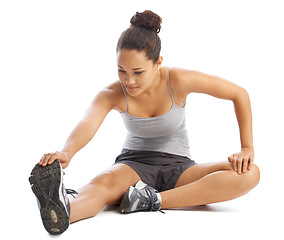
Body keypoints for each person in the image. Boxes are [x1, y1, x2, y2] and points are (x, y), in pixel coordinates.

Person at [29, 10, 260, 235]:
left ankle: (152, 199)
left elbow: (239, 94)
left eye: (138, 72)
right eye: (121, 70)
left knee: (250, 173)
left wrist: (247, 148)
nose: (128, 81)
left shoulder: (178, 80)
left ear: (157, 62)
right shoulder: (113, 93)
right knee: (104, 183)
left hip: (180, 168)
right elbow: (88, 123)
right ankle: (62, 208)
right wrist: (67, 152)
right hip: (133, 165)